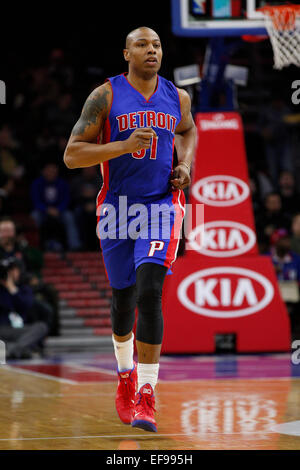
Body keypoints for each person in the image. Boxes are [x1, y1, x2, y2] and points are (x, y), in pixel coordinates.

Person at [64, 27, 196, 432]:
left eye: (156, 45)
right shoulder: (105, 95)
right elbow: (72, 155)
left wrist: (185, 165)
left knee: (150, 291)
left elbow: (187, 130)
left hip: (161, 205)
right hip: (117, 209)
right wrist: (121, 146)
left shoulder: (178, 96)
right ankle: (125, 376)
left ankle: (147, 393)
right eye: (142, 45)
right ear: (127, 53)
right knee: (123, 300)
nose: (151, 50)